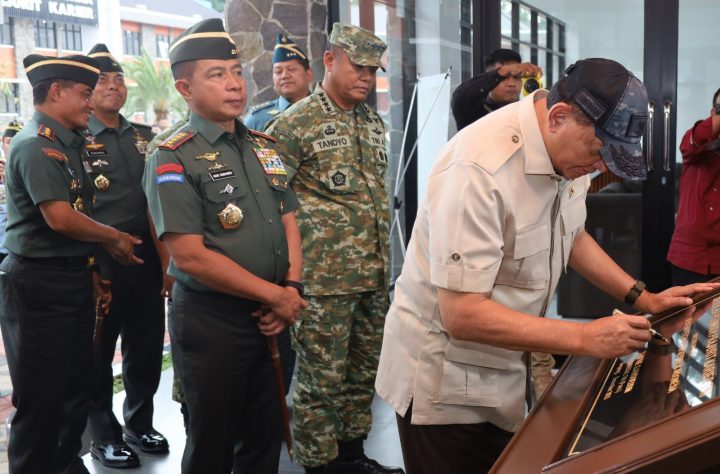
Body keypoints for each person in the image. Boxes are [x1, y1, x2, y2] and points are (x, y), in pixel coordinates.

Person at [374, 58, 717, 474]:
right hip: (443, 385)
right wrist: (586, 337)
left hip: (500, 367)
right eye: (600, 152)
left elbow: (572, 234)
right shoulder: (478, 170)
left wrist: (644, 299)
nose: (601, 167)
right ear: (558, 117)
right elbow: (461, 314)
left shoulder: (570, 150)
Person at [142, 18, 307, 474]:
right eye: (217, 74)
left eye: (236, 71)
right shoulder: (172, 154)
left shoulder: (263, 145)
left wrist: (290, 288)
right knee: (212, 443)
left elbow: (288, 219)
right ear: (184, 88)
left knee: (264, 437)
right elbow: (189, 256)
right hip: (214, 321)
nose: (235, 84)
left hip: (274, 314)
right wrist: (276, 295)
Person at [267, 23, 403, 474]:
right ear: (329, 60)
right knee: (320, 383)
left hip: (372, 276)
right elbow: (269, 204)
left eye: (372, 69)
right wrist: (283, 282)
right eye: (357, 66)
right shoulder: (294, 124)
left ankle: (351, 456)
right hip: (322, 282)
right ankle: (318, 465)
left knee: (363, 375)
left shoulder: (371, 121)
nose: (366, 77)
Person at [0, 54, 141, 474]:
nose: (91, 103)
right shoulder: (36, 145)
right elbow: (60, 218)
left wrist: (92, 269)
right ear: (56, 91)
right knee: (41, 398)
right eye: (84, 93)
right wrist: (113, 237)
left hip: (71, 277)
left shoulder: (69, 143)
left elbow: (79, 211)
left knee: (75, 387)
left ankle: (65, 465)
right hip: (39, 284)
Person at [83, 43, 170, 468]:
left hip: (147, 253)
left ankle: (140, 423)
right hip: (101, 257)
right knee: (98, 351)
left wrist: (168, 263)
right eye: (103, 80)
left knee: (147, 343)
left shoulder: (145, 137)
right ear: (86, 89)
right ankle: (103, 435)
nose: (114, 87)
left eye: (119, 79)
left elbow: (160, 201)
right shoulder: (75, 138)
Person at [667, 88, 720, 285]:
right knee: (685, 307)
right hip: (689, 258)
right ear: (713, 113)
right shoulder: (694, 146)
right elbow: (697, 138)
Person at [451, 48, 542, 130]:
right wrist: (502, 71)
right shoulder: (472, 111)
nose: (511, 84)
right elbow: (460, 97)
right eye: (504, 77)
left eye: (516, 77)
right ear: (490, 79)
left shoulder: (525, 113)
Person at [244, 33, 314, 132]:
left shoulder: (327, 112)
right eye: (278, 71)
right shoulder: (257, 122)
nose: (284, 76)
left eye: (291, 69)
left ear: (309, 74)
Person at [0, 120, 22, 263]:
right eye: (8, 142)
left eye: (14, 141)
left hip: (15, 244)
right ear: (2, 143)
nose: (11, 145)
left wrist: (9, 177)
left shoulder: (24, 167)